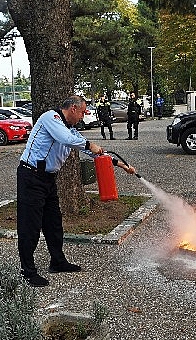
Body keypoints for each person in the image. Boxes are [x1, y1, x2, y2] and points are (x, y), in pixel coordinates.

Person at [17, 95, 136, 287]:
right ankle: (27, 271)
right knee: (29, 226)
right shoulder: (50, 118)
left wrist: (121, 165)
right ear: (73, 108)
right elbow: (68, 140)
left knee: (54, 223)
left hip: (48, 179)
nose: (83, 116)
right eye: (82, 112)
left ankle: (57, 261)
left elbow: (93, 152)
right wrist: (90, 144)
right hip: (31, 177)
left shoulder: (71, 130)